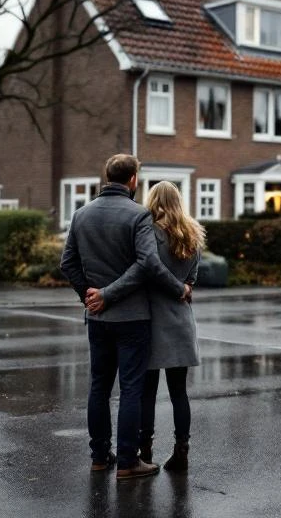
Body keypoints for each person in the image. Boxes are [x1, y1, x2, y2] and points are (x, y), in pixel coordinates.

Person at [60, 154, 191, 480]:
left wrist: (89, 296)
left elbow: (68, 263)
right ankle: (130, 461)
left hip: (98, 320)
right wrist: (109, 295)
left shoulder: (80, 214)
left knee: (99, 387)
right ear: (133, 179)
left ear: (108, 175)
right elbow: (147, 263)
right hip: (132, 317)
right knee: (132, 389)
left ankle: (100, 457)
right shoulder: (138, 216)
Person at [128, 181, 203, 472]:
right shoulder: (192, 234)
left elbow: (146, 273)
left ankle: (145, 451)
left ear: (153, 200)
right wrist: (183, 288)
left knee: (147, 392)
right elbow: (191, 280)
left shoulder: (150, 234)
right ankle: (181, 451)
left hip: (152, 319)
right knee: (178, 392)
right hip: (181, 321)